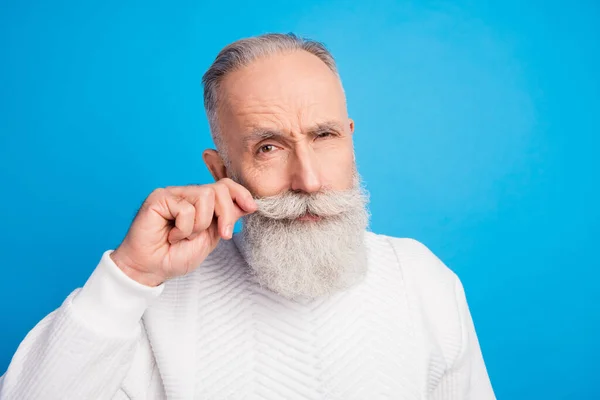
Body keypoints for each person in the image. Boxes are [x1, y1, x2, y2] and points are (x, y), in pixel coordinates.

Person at [0, 33, 495, 399]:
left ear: (349, 136)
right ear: (222, 171)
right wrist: (130, 277)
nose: (309, 181)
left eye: (324, 137)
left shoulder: (421, 279)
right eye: (268, 147)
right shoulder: (160, 303)